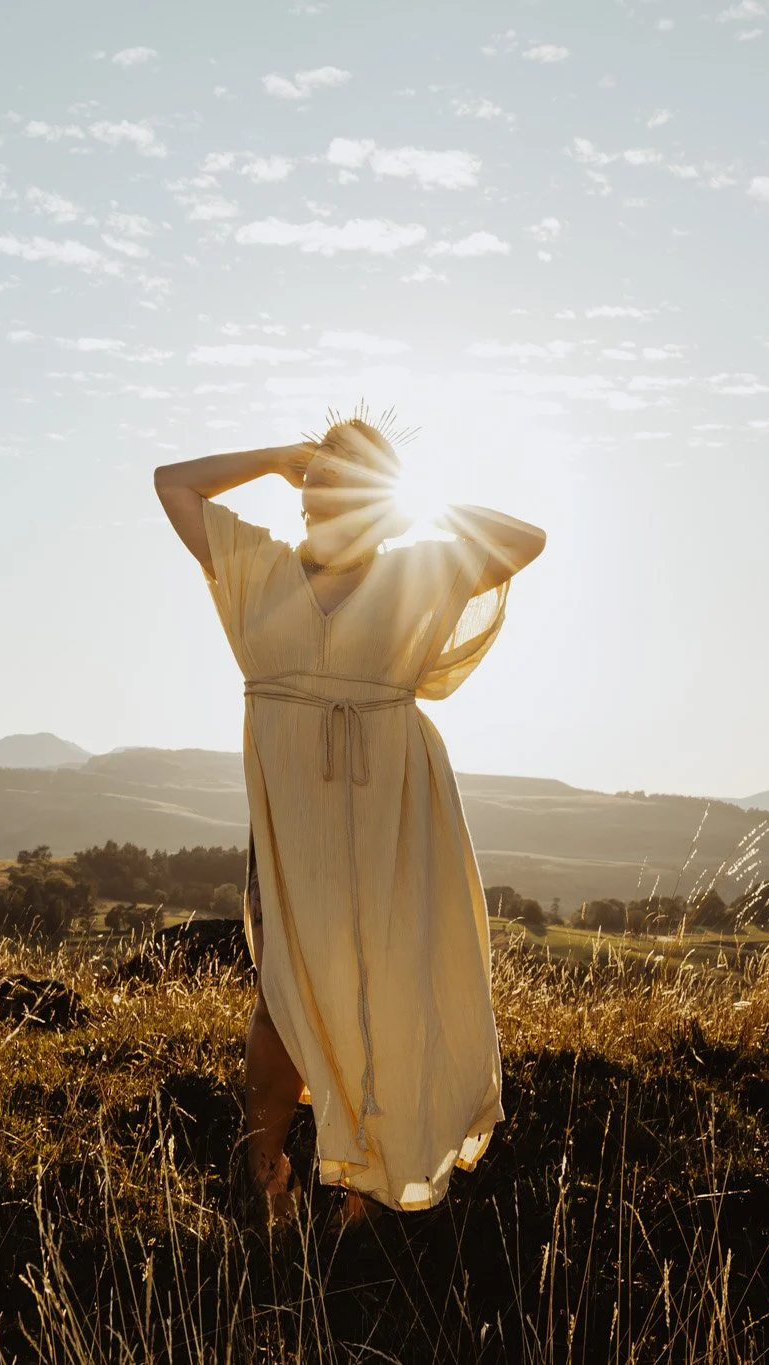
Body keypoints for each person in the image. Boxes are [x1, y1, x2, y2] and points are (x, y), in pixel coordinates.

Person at [153, 413, 544, 1221]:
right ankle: (266, 1178)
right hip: (294, 827)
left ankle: (364, 1178)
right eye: (319, 482)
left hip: (396, 820)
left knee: (387, 989)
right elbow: (173, 483)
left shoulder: (418, 575)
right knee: (283, 996)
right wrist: (273, 460)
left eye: (349, 482)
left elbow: (524, 537)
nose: (328, 496)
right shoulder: (255, 569)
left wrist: (408, 502)